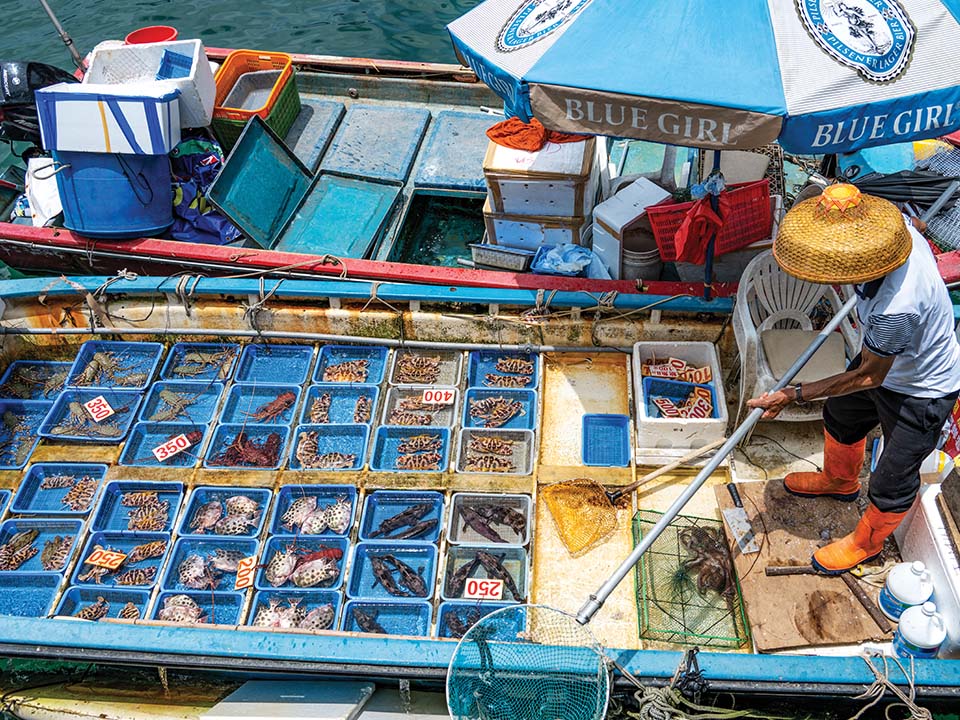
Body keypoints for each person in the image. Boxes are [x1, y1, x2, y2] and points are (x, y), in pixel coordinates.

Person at [747, 184, 960, 574]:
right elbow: (914, 222)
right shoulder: (895, 233)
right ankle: (839, 481)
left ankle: (867, 543)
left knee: (892, 480)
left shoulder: (896, 308)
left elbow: (868, 376)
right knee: (842, 415)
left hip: (921, 388)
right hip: (883, 366)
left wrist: (793, 394)